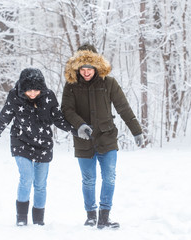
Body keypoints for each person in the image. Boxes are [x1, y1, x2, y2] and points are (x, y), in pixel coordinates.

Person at [61, 43, 143, 229]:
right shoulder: (71, 86)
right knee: (89, 179)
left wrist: (136, 130)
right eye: (83, 68)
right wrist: (80, 125)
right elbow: (66, 109)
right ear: (77, 68)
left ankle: (104, 216)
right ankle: (91, 215)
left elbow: (123, 107)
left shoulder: (109, 83)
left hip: (107, 138)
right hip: (84, 140)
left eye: (90, 68)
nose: (86, 72)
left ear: (96, 66)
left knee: (110, 177)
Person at [0, 68, 77, 226]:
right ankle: (21, 218)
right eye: (29, 91)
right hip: (21, 141)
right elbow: (6, 114)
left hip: (43, 143)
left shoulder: (48, 96)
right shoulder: (15, 96)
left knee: (40, 184)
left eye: (36, 90)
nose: (33, 94)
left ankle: (38, 220)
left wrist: (74, 129)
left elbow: (58, 118)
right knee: (26, 177)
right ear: (23, 88)